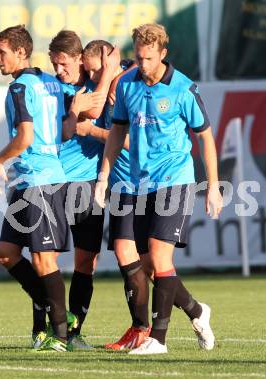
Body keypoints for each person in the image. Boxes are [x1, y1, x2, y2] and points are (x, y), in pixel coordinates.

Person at [95, 23, 223, 355]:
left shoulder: (182, 89)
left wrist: (212, 186)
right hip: (138, 184)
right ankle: (196, 310)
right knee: (148, 264)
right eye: (138, 58)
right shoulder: (127, 86)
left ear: (163, 54)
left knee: (159, 252)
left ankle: (157, 340)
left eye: (149, 58)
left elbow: (206, 137)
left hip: (175, 180)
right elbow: (115, 134)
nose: (143, 65)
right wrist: (103, 177)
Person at [0, 25, 102, 352]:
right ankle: (60, 313)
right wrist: (75, 107)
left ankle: (60, 334)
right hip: (26, 180)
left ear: (21, 52)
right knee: (6, 254)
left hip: (41, 179)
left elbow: (25, 137)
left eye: (2, 52)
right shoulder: (49, 82)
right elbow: (77, 112)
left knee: (43, 259)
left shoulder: (23, 88)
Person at [31, 30, 119, 350]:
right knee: (46, 258)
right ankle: (41, 329)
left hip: (87, 184)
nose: (58, 69)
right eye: (54, 63)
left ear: (80, 59)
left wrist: (107, 73)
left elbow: (110, 131)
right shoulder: (56, 89)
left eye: (63, 63)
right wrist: (109, 72)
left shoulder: (101, 87)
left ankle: (74, 332)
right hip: (53, 180)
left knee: (87, 262)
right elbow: (91, 110)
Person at [79, 40, 151, 350]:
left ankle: (148, 326)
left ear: (108, 62)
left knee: (143, 260)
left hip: (140, 184)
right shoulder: (106, 86)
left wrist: (90, 131)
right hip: (121, 184)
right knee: (138, 260)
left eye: (94, 69)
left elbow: (129, 141)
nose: (90, 76)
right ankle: (147, 327)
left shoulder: (125, 85)